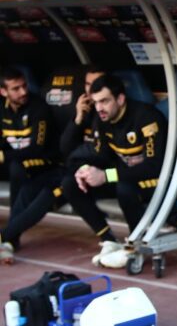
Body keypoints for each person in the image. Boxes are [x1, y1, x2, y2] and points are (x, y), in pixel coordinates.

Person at [60, 75, 167, 269]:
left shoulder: (147, 118)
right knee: (70, 184)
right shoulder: (102, 119)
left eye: (104, 101)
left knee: (124, 187)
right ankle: (108, 240)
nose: (99, 108)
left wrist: (106, 176)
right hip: (125, 177)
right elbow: (100, 156)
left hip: (157, 179)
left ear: (120, 99)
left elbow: (154, 166)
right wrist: (84, 170)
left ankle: (136, 245)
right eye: (96, 102)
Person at [0, 67, 61, 263]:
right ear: (3, 92)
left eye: (24, 86)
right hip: (15, 159)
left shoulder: (38, 107)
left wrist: (3, 156)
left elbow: (37, 149)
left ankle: (10, 237)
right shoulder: (1, 110)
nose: (23, 92)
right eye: (16, 88)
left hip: (45, 162)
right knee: (15, 165)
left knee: (17, 168)